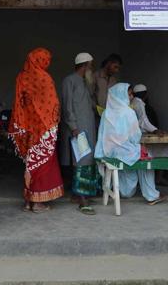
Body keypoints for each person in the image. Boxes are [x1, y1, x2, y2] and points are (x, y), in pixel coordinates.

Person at [8, 48, 64, 213]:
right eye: (46, 60)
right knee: (44, 163)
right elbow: (53, 104)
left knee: (31, 162)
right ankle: (38, 202)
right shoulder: (44, 78)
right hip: (45, 129)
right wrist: (53, 123)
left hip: (28, 127)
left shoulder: (21, 77)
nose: (47, 63)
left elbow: (19, 103)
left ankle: (28, 201)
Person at [95, 84, 165, 205]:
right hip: (124, 151)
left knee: (132, 163)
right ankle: (152, 195)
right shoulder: (128, 112)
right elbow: (135, 137)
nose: (131, 96)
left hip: (108, 152)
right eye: (129, 94)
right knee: (146, 155)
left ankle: (123, 190)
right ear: (120, 95)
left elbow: (101, 135)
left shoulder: (106, 113)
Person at [59, 52, 98, 215]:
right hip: (78, 129)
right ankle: (82, 199)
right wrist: (73, 127)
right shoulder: (69, 80)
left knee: (87, 161)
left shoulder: (86, 82)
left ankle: (80, 193)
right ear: (84, 65)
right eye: (90, 65)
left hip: (89, 127)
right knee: (81, 162)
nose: (92, 68)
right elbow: (67, 106)